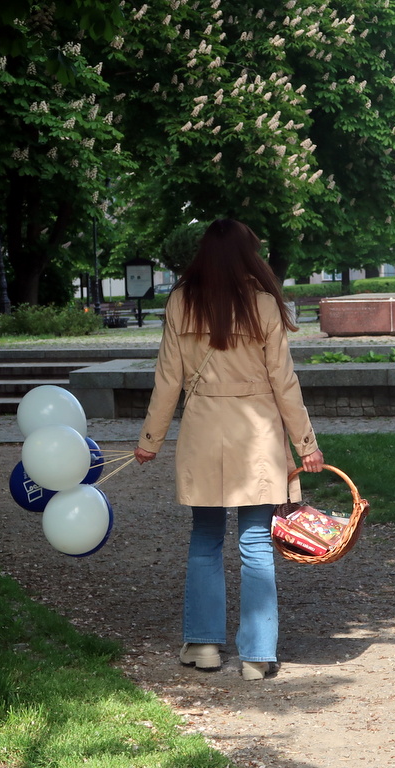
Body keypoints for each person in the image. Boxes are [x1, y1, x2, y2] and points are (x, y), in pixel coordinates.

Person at [134, 218, 324, 681]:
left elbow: (167, 381)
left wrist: (149, 441)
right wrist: (306, 445)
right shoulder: (263, 305)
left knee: (205, 539)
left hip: (202, 430)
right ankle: (258, 655)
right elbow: (284, 382)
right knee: (256, 541)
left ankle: (203, 645)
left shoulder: (181, 301)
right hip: (257, 433)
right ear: (248, 255)